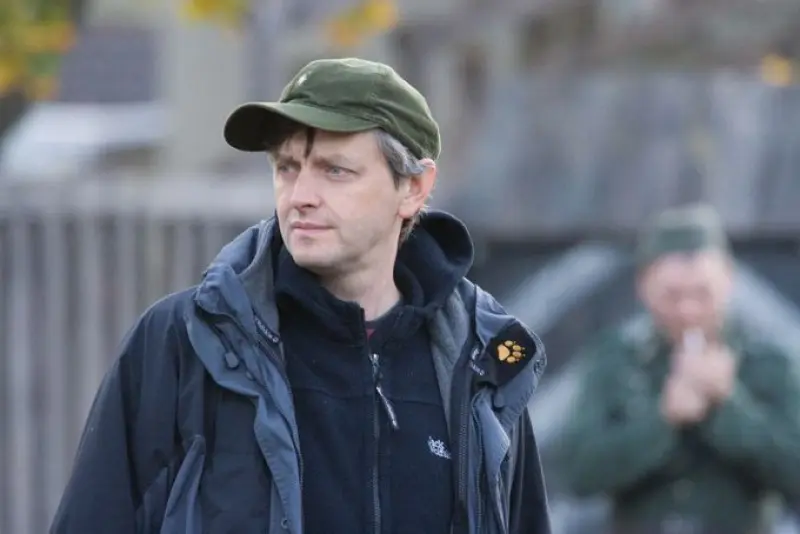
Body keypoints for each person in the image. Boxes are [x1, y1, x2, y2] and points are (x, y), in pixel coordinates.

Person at [50, 58, 551, 534]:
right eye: (287, 167)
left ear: (414, 188)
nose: (300, 196)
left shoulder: (482, 363)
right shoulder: (185, 345)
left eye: (335, 170)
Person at [556, 204, 800, 534]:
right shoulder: (617, 360)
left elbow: (794, 471)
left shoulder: (768, 362)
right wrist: (664, 420)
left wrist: (728, 404)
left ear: (728, 279)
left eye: (702, 293)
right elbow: (579, 473)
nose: (688, 310)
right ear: (643, 285)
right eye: (672, 295)